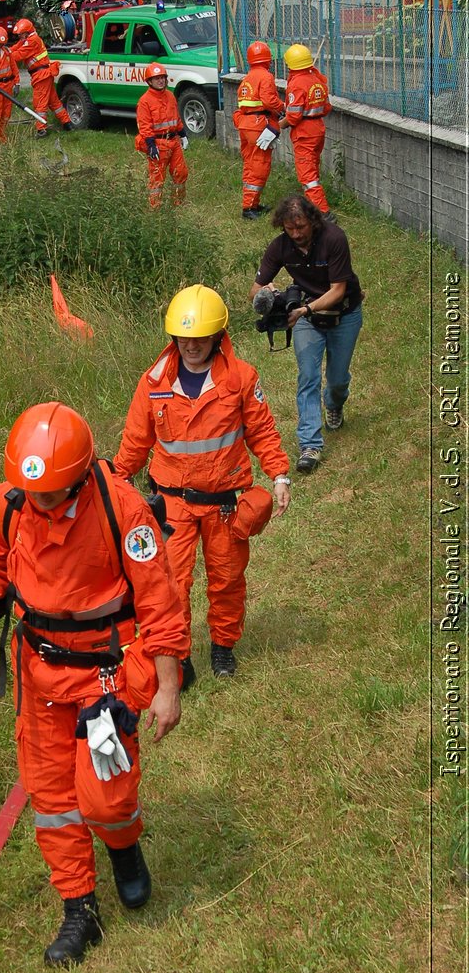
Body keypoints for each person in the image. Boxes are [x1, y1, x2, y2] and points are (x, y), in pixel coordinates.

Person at [0, 403, 188, 967]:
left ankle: (123, 847)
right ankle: (78, 909)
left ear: (80, 476)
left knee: (105, 798)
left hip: (105, 676)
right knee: (55, 800)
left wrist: (167, 686)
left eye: (51, 493)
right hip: (39, 676)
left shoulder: (124, 510)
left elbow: (160, 601)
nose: (40, 504)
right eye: (31, 492)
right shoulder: (8, 503)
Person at [114, 286, 291, 684]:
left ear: (217, 336)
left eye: (199, 338)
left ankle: (223, 648)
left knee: (227, 578)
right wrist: (117, 481)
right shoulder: (154, 382)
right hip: (170, 505)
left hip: (224, 504)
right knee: (170, 584)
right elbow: (135, 441)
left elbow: (261, 430)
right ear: (173, 338)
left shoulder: (241, 379)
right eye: (183, 338)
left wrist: (279, 474)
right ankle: (178, 657)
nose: (190, 346)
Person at [249, 195, 364, 474]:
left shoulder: (334, 238)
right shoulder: (280, 247)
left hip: (344, 314)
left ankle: (334, 403)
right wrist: (267, 293)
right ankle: (310, 445)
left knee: (337, 379)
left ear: (312, 221)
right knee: (308, 376)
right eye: (290, 228)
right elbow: (255, 289)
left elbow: (337, 290)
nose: (296, 234)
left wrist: (306, 309)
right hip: (306, 320)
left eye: (300, 227)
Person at [232, 41, 284, 220]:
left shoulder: (247, 78)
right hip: (258, 123)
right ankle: (248, 208)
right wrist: (282, 107)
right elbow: (269, 100)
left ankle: (252, 204)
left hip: (245, 123)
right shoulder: (266, 76)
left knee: (249, 163)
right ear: (268, 59)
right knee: (259, 165)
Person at [282, 43, 332, 215]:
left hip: (304, 132)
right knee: (313, 170)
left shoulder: (296, 84)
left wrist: (278, 125)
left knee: (308, 176)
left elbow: (294, 116)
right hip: (318, 129)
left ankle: (323, 213)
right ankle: (311, 207)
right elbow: (326, 108)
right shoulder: (317, 79)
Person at [135, 63, 188, 210]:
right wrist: (151, 146)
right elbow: (144, 126)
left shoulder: (170, 95)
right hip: (158, 144)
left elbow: (176, 118)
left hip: (174, 141)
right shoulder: (144, 101)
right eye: (156, 78)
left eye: (162, 78)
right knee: (157, 178)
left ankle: (178, 204)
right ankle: (155, 208)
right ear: (149, 81)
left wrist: (183, 134)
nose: (160, 81)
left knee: (181, 172)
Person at [9, 19, 72, 138]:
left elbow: (17, 55)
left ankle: (41, 129)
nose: (20, 37)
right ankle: (67, 123)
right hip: (43, 75)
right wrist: (6, 51)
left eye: (21, 34)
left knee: (40, 104)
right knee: (54, 103)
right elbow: (16, 47)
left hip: (41, 76)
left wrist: (3, 56)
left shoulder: (32, 41)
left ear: (27, 32)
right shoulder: (28, 39)